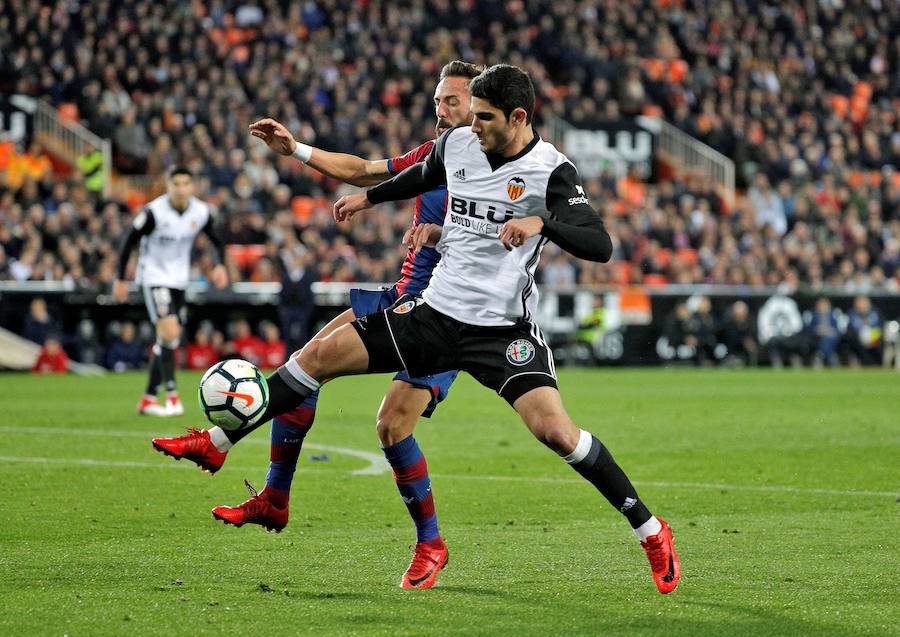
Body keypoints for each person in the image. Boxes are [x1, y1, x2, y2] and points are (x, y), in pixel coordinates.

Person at [159, 64, 680, 594]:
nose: (469, 126)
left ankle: (651, 530)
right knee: (317, 358)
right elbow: (417, 174)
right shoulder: (458, 145)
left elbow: (600, 244)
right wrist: (371, 197)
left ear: (518, 117)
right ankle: (219, 440)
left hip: (500, 332)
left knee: (557, 433)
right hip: (432, 315)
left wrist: (540, 222)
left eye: (483, 117)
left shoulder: (550, 170)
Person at [152, 61, 481, 589]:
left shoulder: (495, 166)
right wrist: (298, 149)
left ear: (480, 107)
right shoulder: (438, 151)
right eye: (438, 101)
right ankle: (273, 497)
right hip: (401, 296)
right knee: (305, 362)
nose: (442, 112)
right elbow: (366, 169)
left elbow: (497, 236)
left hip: (449, 314)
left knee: (391, 425)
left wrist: (439, 235)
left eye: (454, 102)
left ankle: (430, 544)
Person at [114, 167, 228, 416]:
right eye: (176, 183)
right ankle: (172, 396)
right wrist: (120, 278)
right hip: (153, 277)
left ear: (192, 186)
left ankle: (148, 399)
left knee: (168, 340)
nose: (181, 188)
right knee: (170, 331)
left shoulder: (200, 211)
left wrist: (220, 265)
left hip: (179, 280)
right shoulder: (154, 212)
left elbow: (217, 239)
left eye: (186, 183)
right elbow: (128, 241)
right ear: (168, 186)